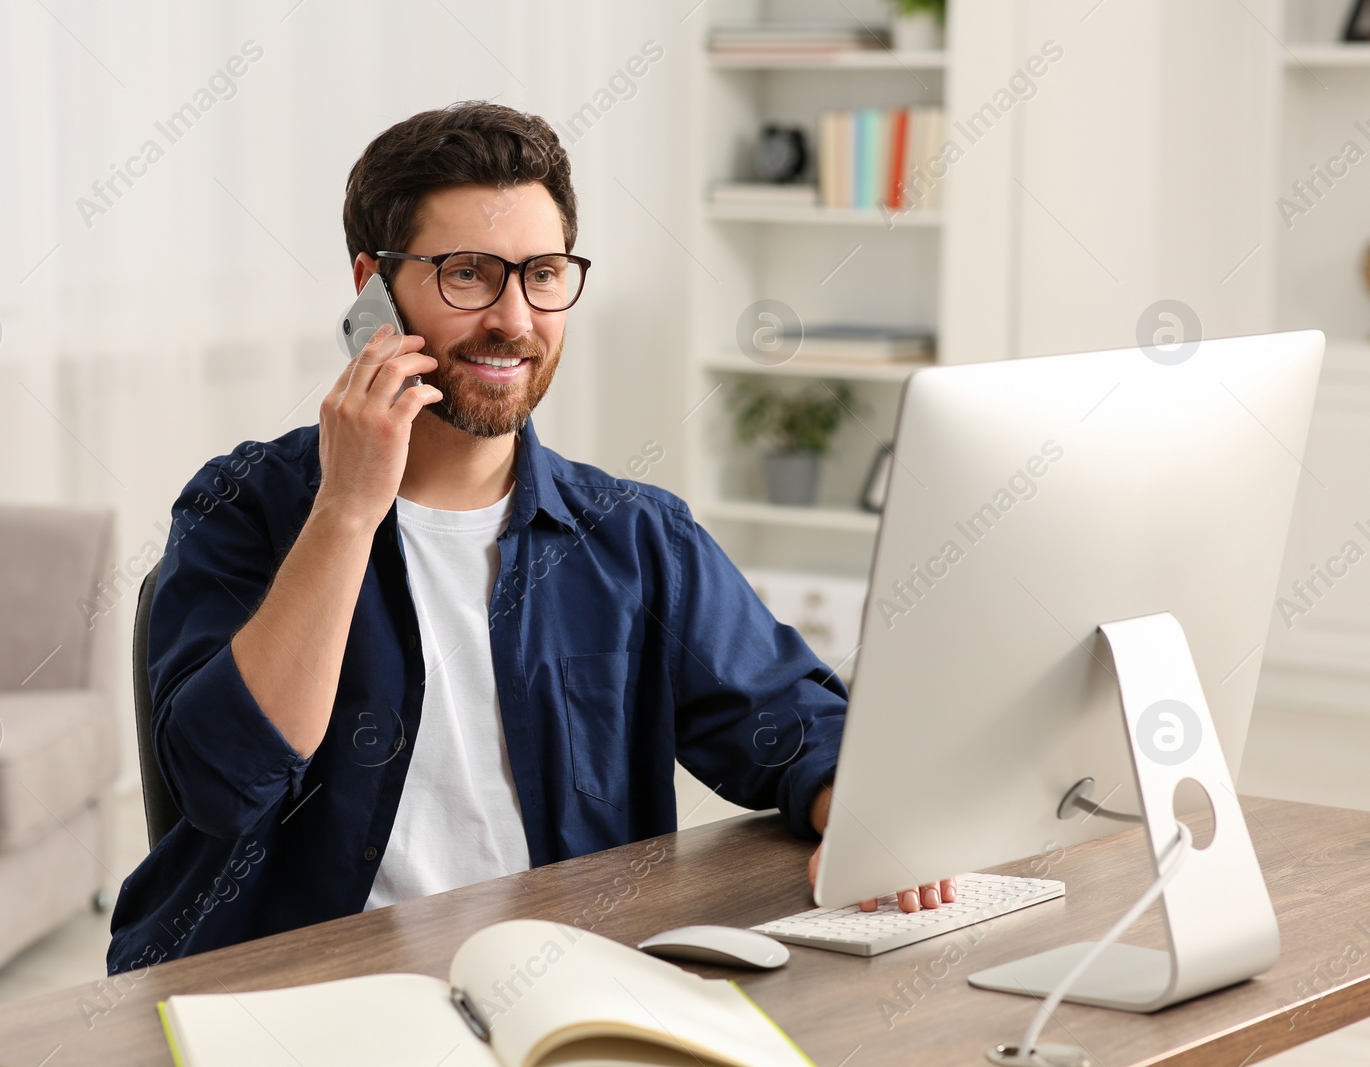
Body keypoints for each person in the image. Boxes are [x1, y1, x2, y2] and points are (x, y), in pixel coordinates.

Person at [106, 101, 948, 974]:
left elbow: (790, 721)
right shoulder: (243, 506)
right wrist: (350, 509)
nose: (514, 318)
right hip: (291, 999)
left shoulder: (632, 535)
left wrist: (862, 818)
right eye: (468, 273)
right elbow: (221, 780)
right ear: (372, 288)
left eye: (542, 274)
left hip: (555, 985)